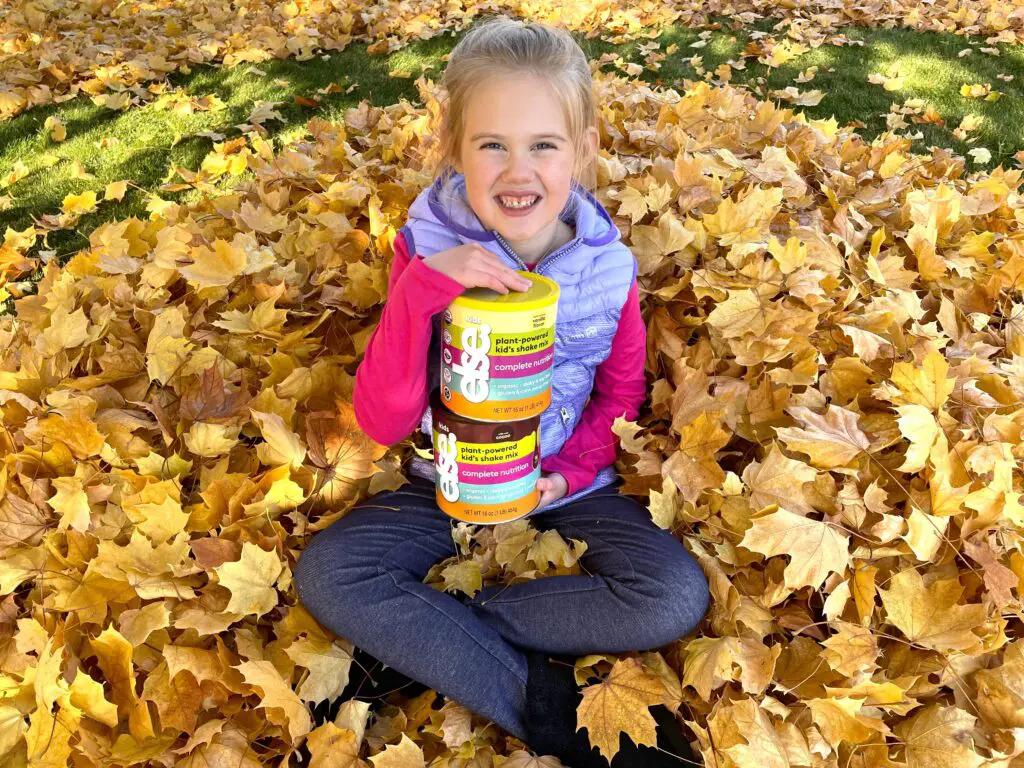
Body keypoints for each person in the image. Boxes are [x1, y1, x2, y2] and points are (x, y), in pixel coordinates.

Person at [293, 15, 710, 767]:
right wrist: (420, 292)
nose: (519, 172)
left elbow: (619, 397)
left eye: (543, 145)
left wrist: (570, 473)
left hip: (563, 486)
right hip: (441, 484)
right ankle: (549, 710)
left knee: (673, 597)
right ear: (455, 148)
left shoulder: (609, 271)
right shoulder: (426, 251)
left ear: (581, 150)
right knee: (330, 575)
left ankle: (433, 636)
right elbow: (383, 421)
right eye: (492, 145)